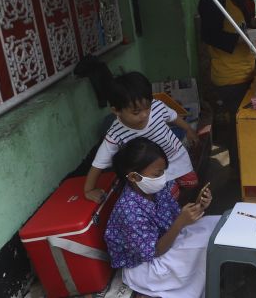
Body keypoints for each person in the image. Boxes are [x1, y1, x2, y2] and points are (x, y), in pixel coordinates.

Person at [104, 137, 217, 298]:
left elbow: (174, 217)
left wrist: (199, 206)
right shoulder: (129, 211)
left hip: (167, 240)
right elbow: (154, 251)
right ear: (133, 177)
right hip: (145, 268)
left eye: (163, 171)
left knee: (216, 225)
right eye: (157, 173)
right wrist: (180, 223)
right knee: (205, 246)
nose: (162, 177)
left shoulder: (156, 189)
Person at [198, 0, 256, 170]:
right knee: (240, 128)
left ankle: (246, 168)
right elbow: (209, 35)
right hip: (229, 78)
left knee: (245, 126)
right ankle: (239, 173)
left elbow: (246, 27)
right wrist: (241, 40)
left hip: (247, 71)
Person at [84, 72, 199, 202]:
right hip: (152, 173)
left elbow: (173, 117)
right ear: (116, 111)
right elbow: (98, 163)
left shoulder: (157, 107)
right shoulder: (116, 134)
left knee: (192, 183)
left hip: (176, 156)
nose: (145, 115)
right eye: (136, 112)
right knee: (172, 196)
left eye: (147, 107)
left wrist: (189, 129)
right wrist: (89, 189)